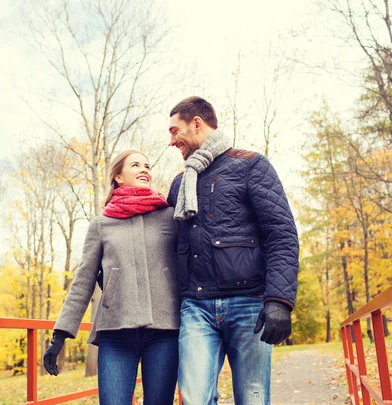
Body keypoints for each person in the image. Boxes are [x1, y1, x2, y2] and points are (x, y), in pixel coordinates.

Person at [166, 96, 299, 405]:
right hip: (195, 307)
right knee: (195, 399)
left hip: (249, 304)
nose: (172, 141)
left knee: (252, 399)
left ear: (196, 123)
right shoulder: (179, 184)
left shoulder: (251, 165)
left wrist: (279, 300)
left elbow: (281, 234)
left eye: (175, 131)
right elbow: (165, 243)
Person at [43, 150, 180, 405]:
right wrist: (60, 334)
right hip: (115, 332)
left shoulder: (169, 216)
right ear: (118, 175)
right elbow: (83, 280)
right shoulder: (102, 224)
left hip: (164, 331)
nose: (144, 170)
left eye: (147, 166)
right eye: (136, 165)